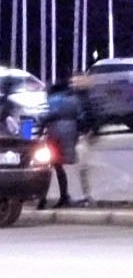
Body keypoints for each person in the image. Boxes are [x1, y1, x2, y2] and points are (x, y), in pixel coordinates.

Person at [40, 81, 88, 209]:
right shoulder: (74, 100)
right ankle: (67, 196)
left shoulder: (52, 100)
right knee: (65, 164)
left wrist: (41, 128)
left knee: (50, 165)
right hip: (71, 132)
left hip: (55, 133)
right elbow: (81, 117)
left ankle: (43, 198)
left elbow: (48, 116)